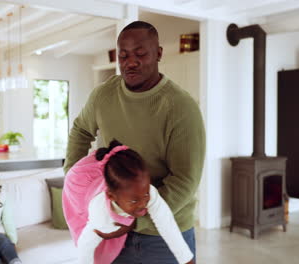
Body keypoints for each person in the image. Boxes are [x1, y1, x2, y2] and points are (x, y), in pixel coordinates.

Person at [64, 21, 206, 263]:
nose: (130, 62)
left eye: (140, 54)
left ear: (159, 53)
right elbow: (80, 130)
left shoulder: (181, 108)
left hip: (163, 233)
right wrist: (74, 179)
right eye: (123, 55)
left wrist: (132, 218)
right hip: (114, 226)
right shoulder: (103, 96)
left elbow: (185, 181)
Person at [63, 140, 194, 264]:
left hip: (116, 190)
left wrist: (186, 259)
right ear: (111, 196)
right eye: (134, 200)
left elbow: (167, 224)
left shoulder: (147, 192)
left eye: (146, 194)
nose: (143, 204)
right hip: (79, 184)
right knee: (102, 249)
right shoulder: (100, 213)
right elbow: (85, 246)